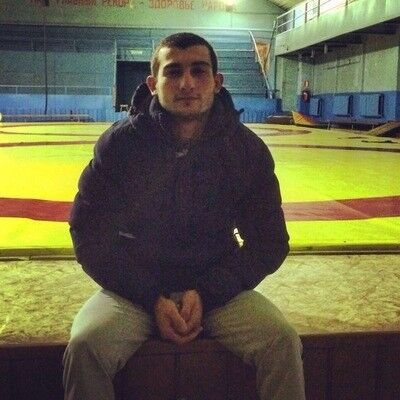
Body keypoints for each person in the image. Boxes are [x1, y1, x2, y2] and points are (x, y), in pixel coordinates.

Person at [63, 32, 305, 400]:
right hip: (134, 291)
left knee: (282, 341)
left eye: (199, 71)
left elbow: (270, 242)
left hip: (218, 290)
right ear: (153, 84)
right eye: (173, 72)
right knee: (85, 346)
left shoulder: (245, 150)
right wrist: (149, 296)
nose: (187, 83)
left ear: (217, 82)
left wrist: (208, 292)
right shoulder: (120, 146)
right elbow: (89, 235)